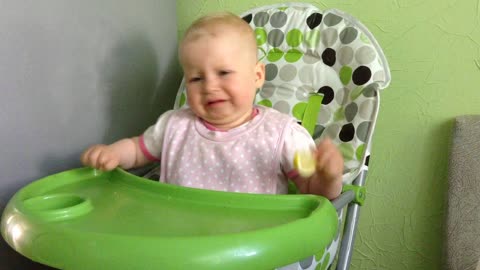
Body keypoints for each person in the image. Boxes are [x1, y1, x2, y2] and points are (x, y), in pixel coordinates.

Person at [81, 12, 344, 199]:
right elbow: (138, 151)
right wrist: (113, 154)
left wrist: (329, 177)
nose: (210, 86)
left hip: (250, 245)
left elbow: (313, 191)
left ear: (257, 76)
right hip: (178, 237)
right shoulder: (174, 125)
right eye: (196, 78)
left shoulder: (282, 134)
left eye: (224, 73)